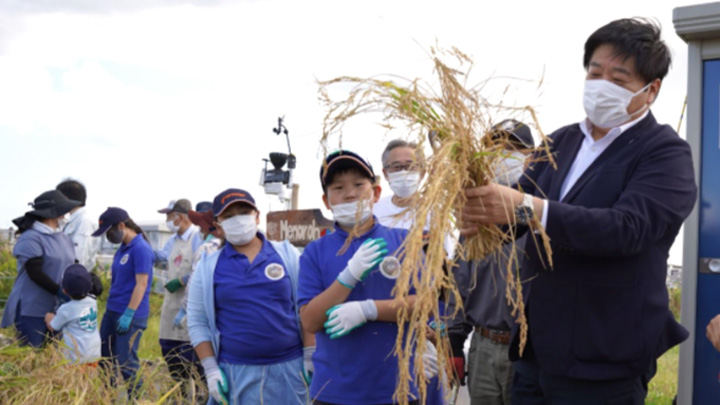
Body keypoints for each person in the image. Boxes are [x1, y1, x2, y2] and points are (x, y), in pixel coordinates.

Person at [459, 19, 697, 403]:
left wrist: (527, 207)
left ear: (651, 90)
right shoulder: (560, 142)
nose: (602, 86)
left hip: (604, 355)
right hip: (536, 350)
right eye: (595, 73)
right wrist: (480, 215)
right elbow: (514, 213)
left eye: (619, 80)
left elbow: (627, 228)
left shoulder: (665, 153)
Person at [298, 150, 420, 405]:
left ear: (375, 193)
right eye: (338, 187)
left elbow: (423, 305)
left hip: (398, 389)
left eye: (358, 184)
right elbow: (310, 321)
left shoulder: (405, 241)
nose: (350, 193)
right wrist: (348, 277)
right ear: (327, 200)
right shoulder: (315, 252)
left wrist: (369, 309)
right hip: (334, 392)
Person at [187, 188, 310, 404]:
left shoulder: (286, 254)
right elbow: (197, 320)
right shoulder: (208, 266)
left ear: (257, 216)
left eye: (244, 211)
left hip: (290, 369)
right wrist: (210, 369)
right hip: (235, 373)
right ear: (218, 223)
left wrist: (310, 352)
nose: (238, 220)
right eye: (229, 216)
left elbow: (306, 307)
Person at [447, 120, 535, 405]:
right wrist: (453, 343)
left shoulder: (540, 213)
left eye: (511, 149)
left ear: (530, 157)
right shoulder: (475, 217)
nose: (501, 157)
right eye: (493, 151)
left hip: (528, 349)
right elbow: (459, 285)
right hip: (483, 347)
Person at [373, 139, 444, 404]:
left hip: (426, 326)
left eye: (411, 166)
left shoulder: (438, 212)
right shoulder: (374, 212)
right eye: (396, 167)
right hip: (383, 321)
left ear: (423, 172)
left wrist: (438, 330)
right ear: (385, 173)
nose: (404, 172)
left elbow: (446, 276)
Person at [1, 190, 78, 347]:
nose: (64, 215)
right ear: (51, 213)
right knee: (31, 357)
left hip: (57, 309)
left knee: (51, 359)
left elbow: (73, 264)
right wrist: (60, 291)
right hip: (32, 309)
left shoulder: (63, 237)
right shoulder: (31, 237)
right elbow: (35, 272)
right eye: (62, 211)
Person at [92, 207, 153, 396]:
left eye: (109, 231)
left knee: (126, 362)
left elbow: (141, 284)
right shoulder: (122, 249)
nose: (108, 236)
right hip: (112, 311)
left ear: (121, 225)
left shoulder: (141, 249)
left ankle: (137, 399)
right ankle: (107, 398)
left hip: (130, 314)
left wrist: (129, 313)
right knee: (105, 360)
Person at [155, 198, 203, 396]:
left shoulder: (197, 239)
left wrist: (182, 281)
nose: (168, 221)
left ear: (181, 217)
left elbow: (200, 270)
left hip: (189, 306)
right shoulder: (173, 240)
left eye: (170, 217)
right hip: (171, 305)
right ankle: (179, 393)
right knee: (170, 351)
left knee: (191, 358)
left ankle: (200, 394)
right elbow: (162, 258)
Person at [44, 263, 101, 365]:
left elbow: (52, 326)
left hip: (76, 358)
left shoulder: (66, 309)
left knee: (76, 380)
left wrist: (49, 318)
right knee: (89, 379)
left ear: (64, 291)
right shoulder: (93, 300)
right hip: (94, 353)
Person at [56, 179, 100, 271]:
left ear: (66, 198)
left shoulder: (84, 221)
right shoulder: (73, 221)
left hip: (74, 278)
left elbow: (80, 257)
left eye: (58, 198)